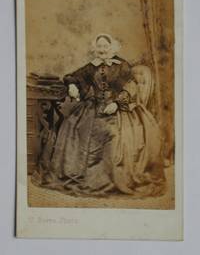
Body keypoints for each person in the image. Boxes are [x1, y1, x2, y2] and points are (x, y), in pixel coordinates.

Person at [32, 33, 165, 197]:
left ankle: (114, 177)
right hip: (93, 107)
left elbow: (130, 85)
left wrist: (117, 103)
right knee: (74, 128)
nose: (102, 50)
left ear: (111, 48)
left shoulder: (121, 65)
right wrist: (72, 85)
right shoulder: (91, 66)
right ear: (95, 49)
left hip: (118, 108)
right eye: (99, 46)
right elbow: (72, 76)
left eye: (105, 46)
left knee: (114, 136)